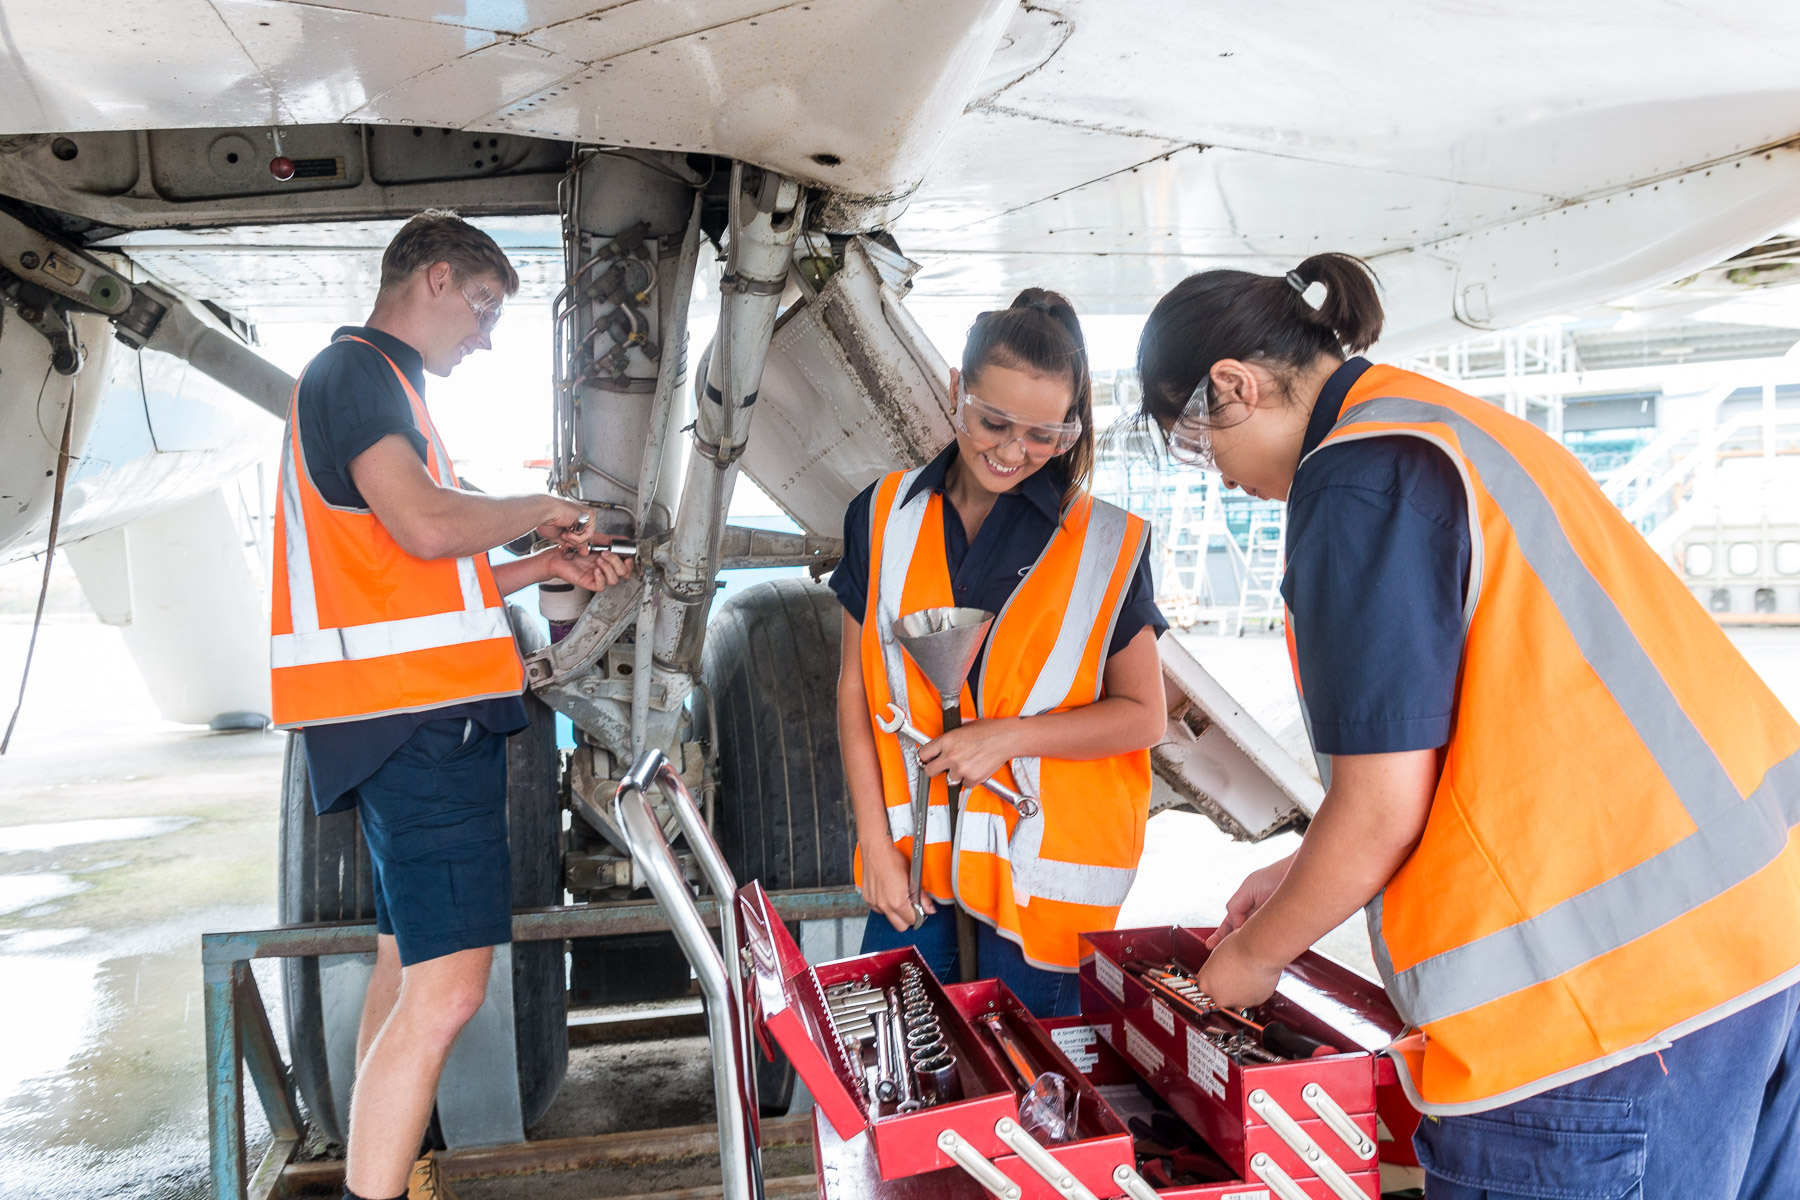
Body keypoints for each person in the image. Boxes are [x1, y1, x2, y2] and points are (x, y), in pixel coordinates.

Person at [1134, 252, 1800, 1197]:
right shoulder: (1450, 427)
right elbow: (1500, 729)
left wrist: (1252, 958)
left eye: (1200, 449)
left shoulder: (1355, 478)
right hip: (1755, 947)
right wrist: (1297, 872)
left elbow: (1381, 808)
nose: (1223, 482)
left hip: (1603, 1023)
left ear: (1233, 388)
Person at [269, 210, 631, 1200]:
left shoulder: (379, 389)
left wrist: (537, 566)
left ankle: (383, 1174)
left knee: (408, 973)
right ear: (434, 278)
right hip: (420, 727)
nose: (483, 336)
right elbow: (429, 527)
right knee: (451, 990)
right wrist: (543, 505)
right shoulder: (355, 378)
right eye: (482, 309)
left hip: (404, 720)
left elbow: (415, 575)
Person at [832, 289, 1168, 1017]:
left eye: (1045, 435)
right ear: (958, 390)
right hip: (916, 866)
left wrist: (1009, 739)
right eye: (994, 422)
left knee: (1031, 1105)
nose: (1014, 452)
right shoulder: (883, 513)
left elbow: (1144, 718)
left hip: (1038, 893)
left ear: (1073, 429)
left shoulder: (1107, 543)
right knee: (900, 1089)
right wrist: (875, 846)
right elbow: (858, 691)